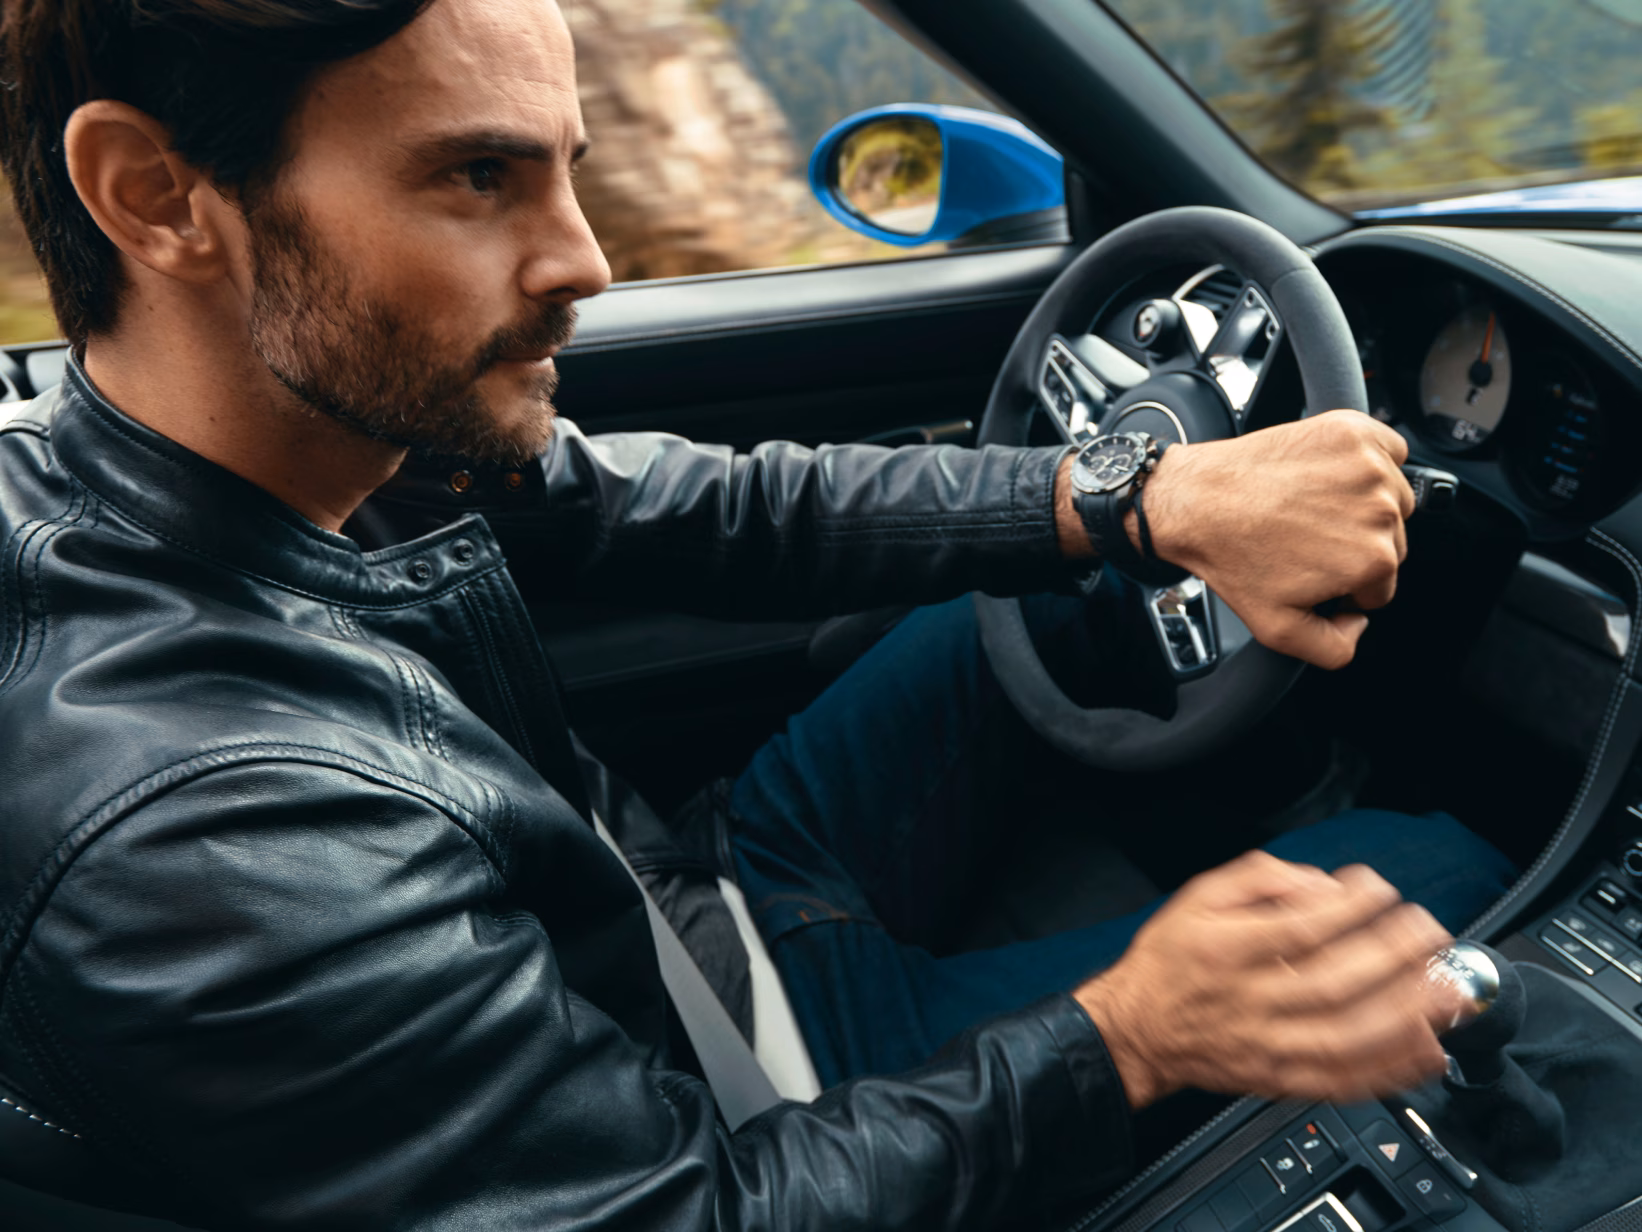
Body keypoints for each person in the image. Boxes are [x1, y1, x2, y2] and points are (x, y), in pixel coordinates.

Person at [0, 0, 1514, 1228]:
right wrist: (1131, 1034)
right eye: (477, 177)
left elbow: (689, 508)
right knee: (1443, 865)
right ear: (158, 197)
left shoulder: (310, 440)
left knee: (1050, 601)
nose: (582, 259)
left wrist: (1130, 501)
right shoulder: (207, 843)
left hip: (695, 894)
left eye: (568, 167)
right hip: (755, 1087)